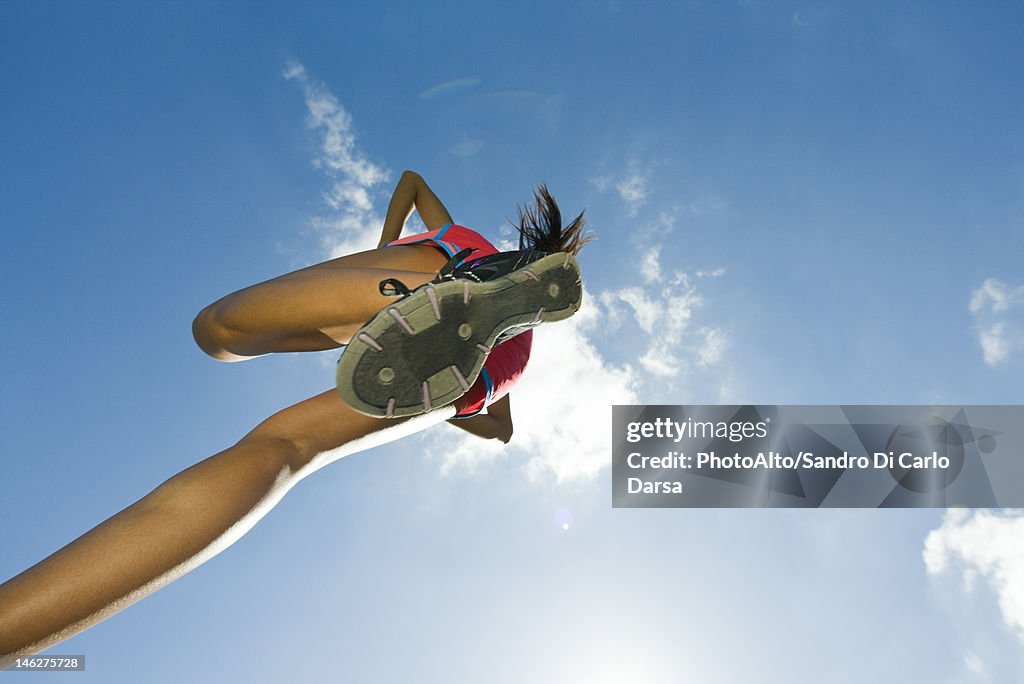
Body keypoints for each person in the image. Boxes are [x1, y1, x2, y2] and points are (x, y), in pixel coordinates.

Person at [0, 170, 589, 660]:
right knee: (285, 448)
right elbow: (502, 428)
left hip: (445, 265)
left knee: (219, 328)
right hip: (490, 371)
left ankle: (431, 291)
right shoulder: (517, 353)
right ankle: (453, 309)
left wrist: (389, 245)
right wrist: (455, 408)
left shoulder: (455, 230)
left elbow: (411, 180)